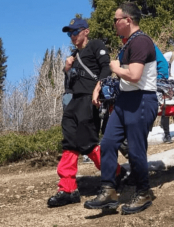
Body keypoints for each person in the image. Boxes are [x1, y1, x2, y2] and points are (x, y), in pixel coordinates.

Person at [84, 2, 158, 215]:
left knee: (135, 150)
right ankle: (109, 190)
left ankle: (143, 192)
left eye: (116, 19)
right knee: (107, 143)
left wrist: (115, 67)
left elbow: (135, 76)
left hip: (142, 99)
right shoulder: (128, 44)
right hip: (125, 100)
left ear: (128, 20)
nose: (114, 23)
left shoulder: (142, 41)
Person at [47, 18, 124, 207]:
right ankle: (67, 189)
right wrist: (66, 70)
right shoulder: (73, 56)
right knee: (69, 143)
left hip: (91, 99)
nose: (72, 36)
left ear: (86, 31)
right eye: (69, 33)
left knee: (87, 142)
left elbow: (107, 67)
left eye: (75, 32)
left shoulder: (96, 45)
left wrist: (99, 87)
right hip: (73, 101)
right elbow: (70, 83)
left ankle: (115, 173)